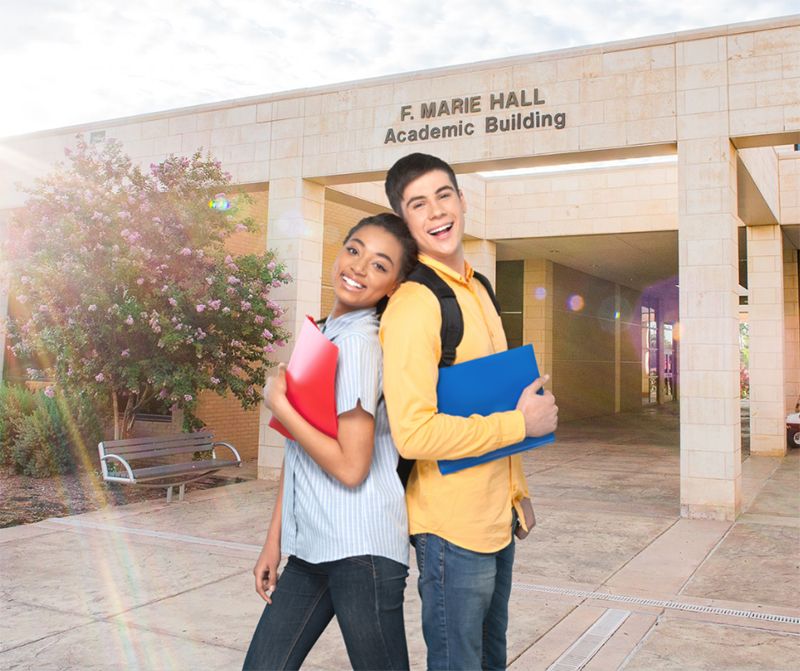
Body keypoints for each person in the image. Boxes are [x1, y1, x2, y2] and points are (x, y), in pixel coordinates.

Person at [380, 153, 559, 671]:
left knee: (490, 659)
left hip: (494, 517)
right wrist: (521, 424)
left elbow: (500, 398)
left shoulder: (479, 288)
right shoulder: (415, 303)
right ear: (406, 221)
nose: (435, 211)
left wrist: (517, 493)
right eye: (418, 204)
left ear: (462, 201)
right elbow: (411, 434)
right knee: (459, 662)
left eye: (443, 195)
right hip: (449, 530)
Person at [242, 213, 418, 671]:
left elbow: (351, 467)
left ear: (394, 287)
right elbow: (299, 451)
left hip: (362, 549)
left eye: (380, 266)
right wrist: (272, 542)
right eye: (354, 250)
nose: (359, 268)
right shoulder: (323, 333)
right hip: (315, 546)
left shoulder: (359, 343)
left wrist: (279, 406)